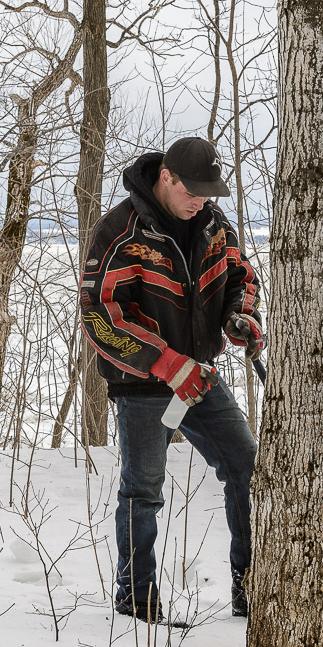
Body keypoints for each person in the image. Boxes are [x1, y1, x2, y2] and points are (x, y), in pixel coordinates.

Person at [78, 137, 264, 622]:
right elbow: (99, 314)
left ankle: (251, 588)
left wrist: (240, 316)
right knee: (144, 489)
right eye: (193, 191)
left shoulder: (213, 224)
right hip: (143, 381)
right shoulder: (120, 230)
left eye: (209, 192)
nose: (201, 201)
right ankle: (136, 600)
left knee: (247, 467)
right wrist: (165, 363)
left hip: (200, 373)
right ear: (166, 177)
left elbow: (241, 275)